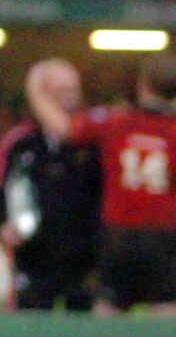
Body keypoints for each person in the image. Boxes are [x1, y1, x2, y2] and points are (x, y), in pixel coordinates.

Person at [28, 53, 176, 315]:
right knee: (167, 312)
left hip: (119, 234)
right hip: (165, 235)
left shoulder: (115, 122)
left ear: (143, 85)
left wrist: (36, 92)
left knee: (108, 311)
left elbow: (64, 128)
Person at [0, 59, 100, 311]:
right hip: (33, 259)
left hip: (84, 259)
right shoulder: (20, 143)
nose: (71, 98)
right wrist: (0, 226)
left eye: (74, 91)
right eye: (62, 92)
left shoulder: (94, 139)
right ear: (40, 96)